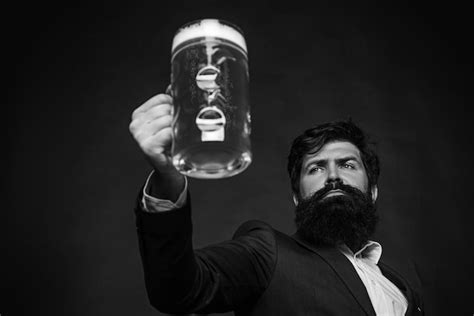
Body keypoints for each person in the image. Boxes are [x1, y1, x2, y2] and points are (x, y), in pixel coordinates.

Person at [129, 92, 425, 315]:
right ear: (298, 196)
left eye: (347, 165)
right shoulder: (267, 253)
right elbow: (177, 289)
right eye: (316, 168)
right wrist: (167, 178)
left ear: (372, 191)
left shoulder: (401, 286)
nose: (333, 177)